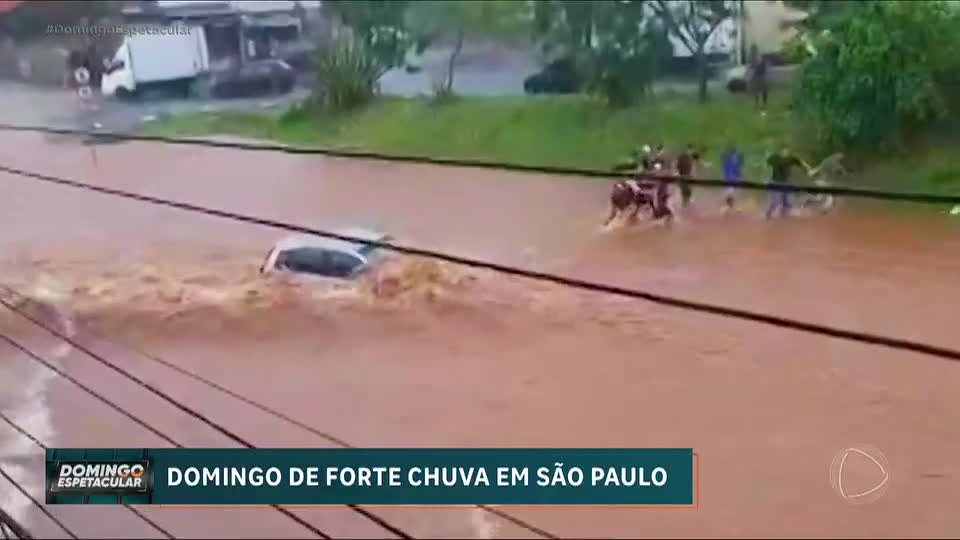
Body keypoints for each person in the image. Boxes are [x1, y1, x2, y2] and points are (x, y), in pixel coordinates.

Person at [765, 144, 811, 219]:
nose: (786, 152)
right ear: (781, 152)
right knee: (776, 200)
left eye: (787, 151)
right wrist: (767, 155)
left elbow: (800, 161)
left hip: (786, 181)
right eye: (784, 151)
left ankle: (784, 212)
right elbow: (767, 161)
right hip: (776, 181)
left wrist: (807, 166)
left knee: (789, 199)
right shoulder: (775, 158)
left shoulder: (791, 158)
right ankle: (769, 212)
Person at [721, 144, 744, 211]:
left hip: (731, 179)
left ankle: (731, 206)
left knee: (731, 193)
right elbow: (737, 168)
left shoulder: (728, 159)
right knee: (730, 193)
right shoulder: (732, 159)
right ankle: (729, 206)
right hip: (731, 179)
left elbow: (737, 168)